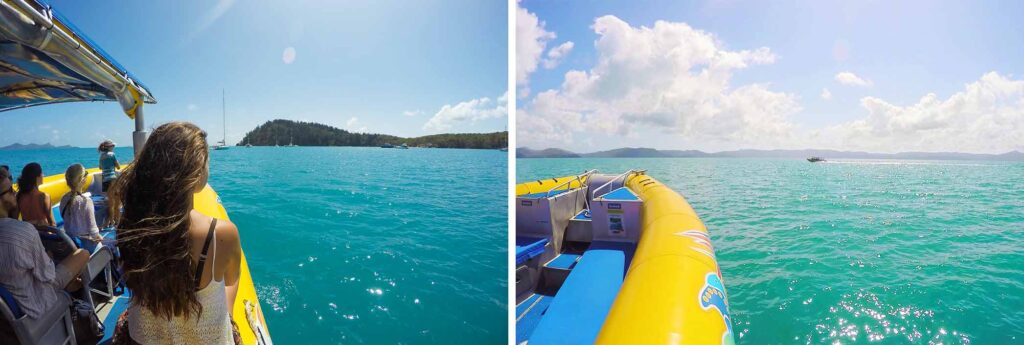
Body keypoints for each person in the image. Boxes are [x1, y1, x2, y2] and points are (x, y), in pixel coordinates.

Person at [109, 122, 243, 345]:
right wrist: (226, 317)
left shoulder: (130, 226)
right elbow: (232, 279)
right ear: (197, 171)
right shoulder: (221, 234)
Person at [0, 218, 89, 338]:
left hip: (10, 307)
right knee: (83, 254)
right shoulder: (22, 230)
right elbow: (48, 275)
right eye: (12, 197)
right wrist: (48, 258)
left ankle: (71, 286)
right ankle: (72, 288)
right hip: (35, 301)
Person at [59, 164, 102, 249]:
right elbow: (93, 231)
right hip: (83, 244)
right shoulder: (86, 201)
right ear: (83, 180)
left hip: (70, 243)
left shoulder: (63, 199)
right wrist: (99, 237)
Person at [16, 163, 55, 227]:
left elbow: (14, 220)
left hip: (27, 233)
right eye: (41, 173)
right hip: (43, 235)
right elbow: (53, 224)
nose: (43, 175)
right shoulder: (44, 196)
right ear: (37, 177)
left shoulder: (19, 196)